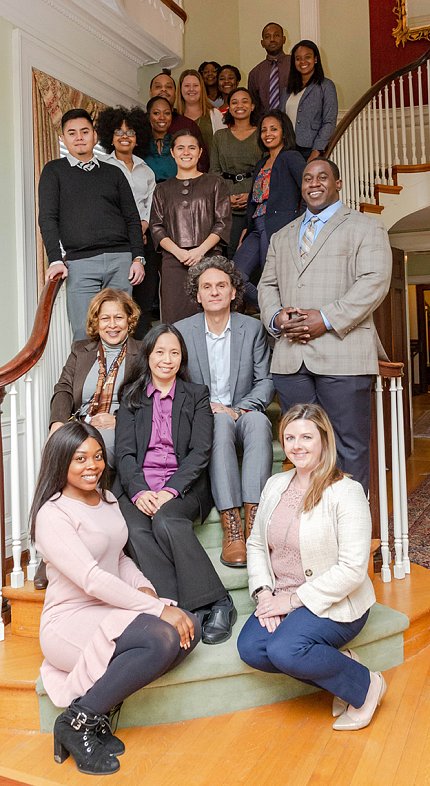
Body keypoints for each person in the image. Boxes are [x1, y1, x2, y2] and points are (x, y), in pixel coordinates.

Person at [31, 420, 199, 775]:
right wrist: (155, 609)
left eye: (97, 457)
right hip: (69, 622)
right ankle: (78, 721)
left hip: (110, 609)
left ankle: (95, 711)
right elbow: (91, 579)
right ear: (61, 461)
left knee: (190, 629)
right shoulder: (53, 514)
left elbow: (120, 557)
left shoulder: (106, 499)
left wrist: (146, 590)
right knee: (162, 638)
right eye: (80, 458)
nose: (92, 466)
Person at [237, 404, 387, 733]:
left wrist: (290, 602)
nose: (297, 445)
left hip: (334, 600)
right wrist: (264, 594)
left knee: (284, 650)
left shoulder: (346, 492)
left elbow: (351, 570)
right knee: (250, 648)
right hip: (281, 593)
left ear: (324, 440)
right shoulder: (276, 484)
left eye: (307, 436)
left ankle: (366, 688)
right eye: (289, 437)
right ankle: (345, 669)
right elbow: (257, 543)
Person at [258, 158, 392, 492]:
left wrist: (327, 318)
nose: (313, 184)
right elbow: (267, 285)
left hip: (343, 354)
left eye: (322, 177)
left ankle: (350, 534)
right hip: (292, 360)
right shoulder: (282, 235)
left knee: (348, 447)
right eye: (307, 179)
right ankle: (311, 529)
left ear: (338, 183)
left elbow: (374, 281)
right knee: (302, 451)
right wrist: (277, 317)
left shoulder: (365, 226)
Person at [113, 324, 237, 645]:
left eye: (174, 353)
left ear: (182, 359)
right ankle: (175, 607)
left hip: (184, 487)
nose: (167, 359)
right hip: (140, 486)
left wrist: (169, 491)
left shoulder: (196, 395)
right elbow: (125, 453)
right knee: (135, 528)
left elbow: (200, 452)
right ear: (149, 356)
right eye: (160, 352)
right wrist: (140, 491)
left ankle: (218, 601)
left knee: (167, 520)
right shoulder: (130, 397)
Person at [175, 257, 274, 568]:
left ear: (233, 292)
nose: (214, 292)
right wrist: (211, 410)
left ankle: (254, 522)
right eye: (207, 287)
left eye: (221, 285)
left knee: (258, 421)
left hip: (244, 411)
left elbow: (266, 381)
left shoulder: (253, 329)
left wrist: (240, 409)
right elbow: (176, 384)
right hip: (206, 417)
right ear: (198, 295)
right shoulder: (181, 332)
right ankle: (231, 526)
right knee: (217, 422)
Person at [39, 109, 145, 340]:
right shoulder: (53, 171)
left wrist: (138, 257)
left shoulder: (114, 172)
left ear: (94, 135)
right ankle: (88, 378)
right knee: (83, 332)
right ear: (64, 138)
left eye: (85, 131)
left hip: (120, 261)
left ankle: (119, 378)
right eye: (72, 133)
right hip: (80, 264)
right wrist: (56, 258)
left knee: (120, 330)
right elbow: (47, 218)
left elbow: (131, 218)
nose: (79, 137)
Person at [49, 288, 141, 467]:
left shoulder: (143, 352)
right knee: (54, 448)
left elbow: (149, 399)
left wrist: (119, 420)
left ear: (129, 321)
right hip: (82, 424)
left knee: (93, 451)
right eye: (105, 318)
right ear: (96, 322)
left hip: (117, 427)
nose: (112, 325)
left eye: (119, 317)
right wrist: (58, 422)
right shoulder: (80, 350)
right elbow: (64, 388)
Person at [150, 130, 231, 323]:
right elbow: (156, 227)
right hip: (173, 262)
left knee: (211, 317)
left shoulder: (215, 183)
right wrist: (179, 252)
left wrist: (200, 251)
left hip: (210, 259)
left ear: (200, 152)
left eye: (192, 147)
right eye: (180, 148)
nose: (186, 152)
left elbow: (222, 222)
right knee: (174, 318)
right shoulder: (162, 189)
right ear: (173, 153)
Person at [233, 110, 305, 307]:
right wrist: (246, 229)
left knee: (270, 278)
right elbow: (254, 201)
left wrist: (301, 223)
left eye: (274, 129)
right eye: (264, 130)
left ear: (284, 132)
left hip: (278, 226)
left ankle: (275, 317)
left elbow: (307, 190)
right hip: (256, 226)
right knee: (234, 275)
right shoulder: (261, 163)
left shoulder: (291, 157)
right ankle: (271, 310)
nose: (268, 133)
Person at [96, 105, 156, 338]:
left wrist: (142, 226)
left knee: (143, 298)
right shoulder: (102, 169)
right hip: (117, 241)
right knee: (118, 300)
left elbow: (150, 205)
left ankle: (140, 350)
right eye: (119, 132)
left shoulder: (146, 171)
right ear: (109, 136)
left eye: (130, 132)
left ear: (137, 136)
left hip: (143, 239)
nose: (124, 137)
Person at [210, 88, 261, 257]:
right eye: (234, 102)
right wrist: (226, 199)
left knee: (252, 253)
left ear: (252, 106)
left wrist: (252, 195)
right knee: (229, 254)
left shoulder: (261, 134)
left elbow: (267, 170)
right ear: (229, 108)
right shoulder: (220, 136)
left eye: (245, 101)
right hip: (227, 202)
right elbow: (214, 171)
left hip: (255, 201)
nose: (240, 105)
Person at [281, 40, 338, 161]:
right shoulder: (287, 89)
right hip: (287, 148)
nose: (303, 62)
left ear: (315, 59)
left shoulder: (326, 86)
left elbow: (329, 121)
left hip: (310, 149)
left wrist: (316, 150)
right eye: (298, 58)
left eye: (307, 57)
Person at [177, 69, 224, 157]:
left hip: (210, 170)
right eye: (187, 85)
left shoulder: (215, 114)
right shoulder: (174, 117)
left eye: (195, 85)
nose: (191, 89)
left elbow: (224, 148)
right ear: (180, 89)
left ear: (201, 88)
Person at [248, 22, 291, 111]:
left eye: (276, 35)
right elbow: (254, 107)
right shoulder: (255, 73)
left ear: (284, 39)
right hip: (265, 122)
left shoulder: (295, 65)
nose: (272, 39)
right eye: (267, 37)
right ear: (262, 43)